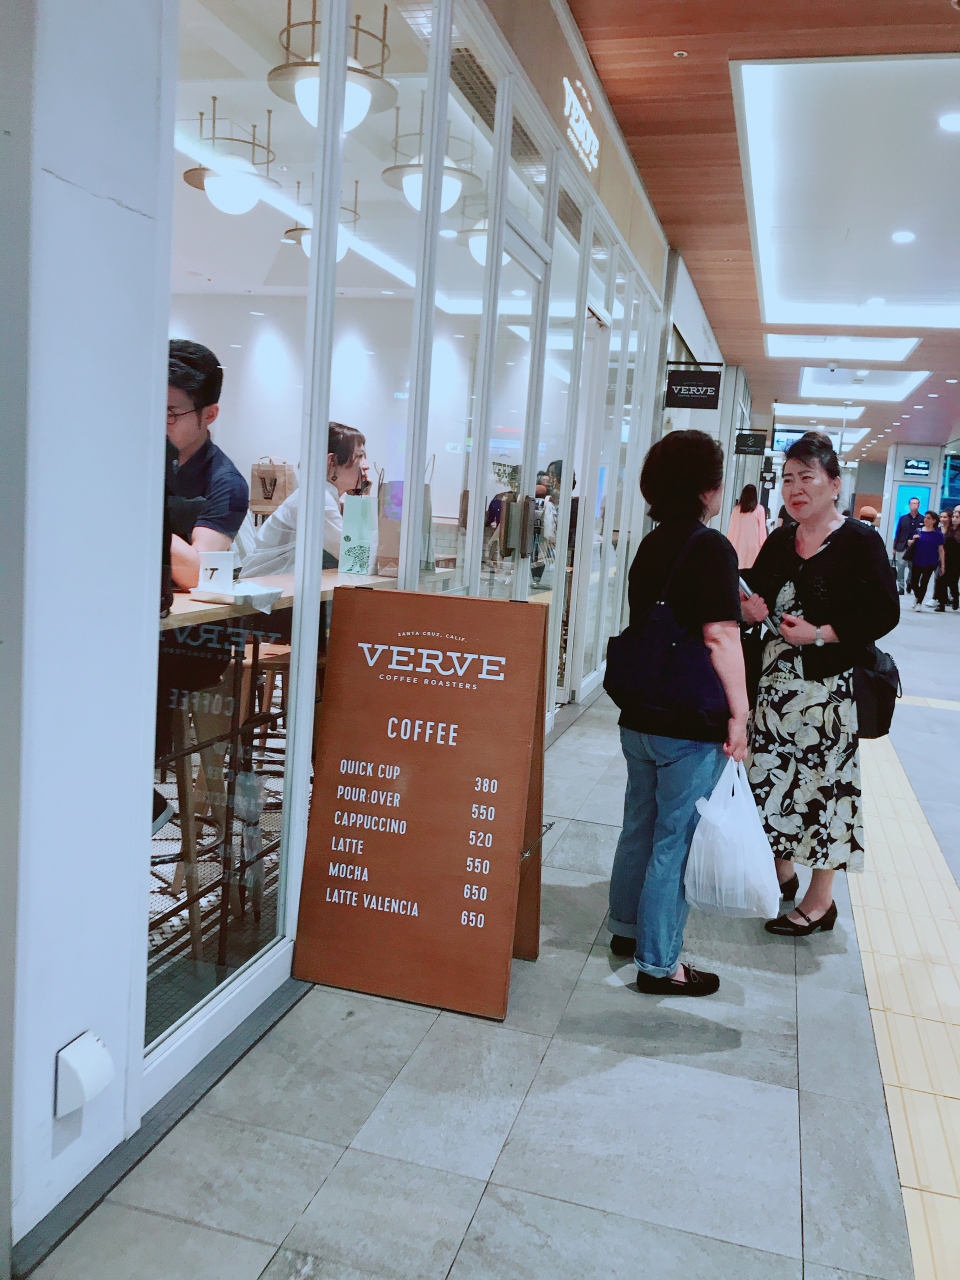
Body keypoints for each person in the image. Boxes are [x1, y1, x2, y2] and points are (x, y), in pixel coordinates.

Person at [607, 430, 749, 997]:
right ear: (707, 490)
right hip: (688, 720)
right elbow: (720, 637)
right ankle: (660, 963)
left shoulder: (652, 544)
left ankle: (626, 928)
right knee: (675, 838)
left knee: (638, 825)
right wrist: (740, 714)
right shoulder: (712, 547)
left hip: (640, 714)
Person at [741, 432, 899, 936]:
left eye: (807, 477)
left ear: (834, 485)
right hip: (774, 690)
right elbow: (758, 594)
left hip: (828, 694)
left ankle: (820, 900)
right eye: (789, 479)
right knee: (769, 784)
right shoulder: (780, 540)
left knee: (822, 793)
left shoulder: (860, 541)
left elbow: (885, 612)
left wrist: (821, 633)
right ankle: (783, 871)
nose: (795, 489)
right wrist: (749, 607)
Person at [166, 340, 249, 588]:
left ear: (209, 415)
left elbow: (198, 572)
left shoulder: (227, 484)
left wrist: (136, 515)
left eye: (170, 414)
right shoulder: (130, 460)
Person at [240, 423, 367, 578]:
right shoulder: (318, 499)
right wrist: (362, 499)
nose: (366, 466)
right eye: (360, 456)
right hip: (267, 586)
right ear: (332, 461)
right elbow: (355, 558)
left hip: (277, 583)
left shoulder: (320, 494)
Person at [907, 511, 945, 610]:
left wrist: (942, 565)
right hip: (917, 559)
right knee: (913, 582)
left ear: (934, 521)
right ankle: (917, 596)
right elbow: (909, 542)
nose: (926, 520)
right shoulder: (918, 530)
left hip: (931, 561)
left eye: (928, 518)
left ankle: (919, 602)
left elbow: (941, 550)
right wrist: (913, 540)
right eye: (925, 518)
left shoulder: (937, 534)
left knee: (924, 582)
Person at [726, 483, 768, 568]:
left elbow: (731, 530)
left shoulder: (736, 510)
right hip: (753, 546)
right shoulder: (759, 509)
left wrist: (728, 544)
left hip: (737, 545)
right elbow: (762, 532)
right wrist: (764, 547)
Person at [892, 496, 924, 596]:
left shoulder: (922, 519)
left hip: (916, 547)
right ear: (909, 505)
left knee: (913, 567)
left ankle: (910, 582)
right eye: (912, 503)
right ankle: (901, 588)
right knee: (901, 567)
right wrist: (894, 547)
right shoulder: (903, 519)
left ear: (919, 505)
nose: (914, 505)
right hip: (902, 545)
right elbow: (898, 533)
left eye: (916, 503)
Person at [938, 506, 960, 612]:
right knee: (941, 581)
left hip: (956, 561)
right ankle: (941, 603)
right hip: (944, 558)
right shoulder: (949, 529)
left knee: (952, 582)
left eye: (957, 517)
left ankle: (955, 597)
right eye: (953, 517)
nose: (954, 519)